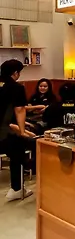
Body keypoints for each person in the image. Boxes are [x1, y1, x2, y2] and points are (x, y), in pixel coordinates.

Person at [0, 59, 34, 201]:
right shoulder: (16, 88)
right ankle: (17, 188)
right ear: (15, 73)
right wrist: (22, 131)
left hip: (4, 129)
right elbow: (19, 110)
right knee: (19, 150)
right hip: (4, 134)